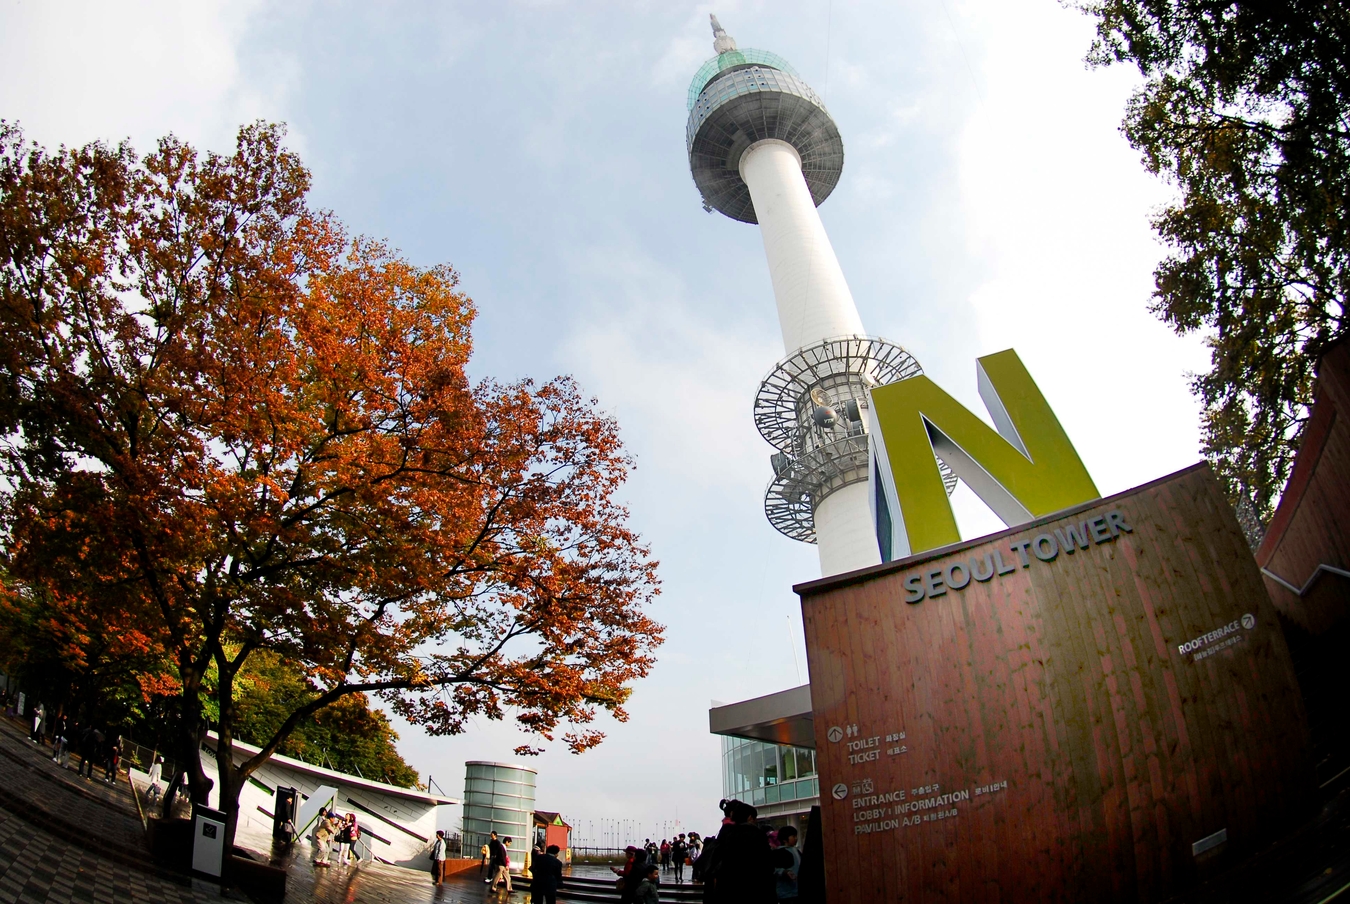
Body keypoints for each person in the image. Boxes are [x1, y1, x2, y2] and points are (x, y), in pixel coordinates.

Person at [706, 800, 774, 904]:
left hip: (730, 886)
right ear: (750, 817)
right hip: (754, 887)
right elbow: (766, 862)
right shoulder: (757, 834)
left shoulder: (727, 833)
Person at [773, 826, 800, 902]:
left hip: (795, 891)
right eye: (793, 836)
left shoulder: (796, 850)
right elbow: (774, 869)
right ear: (785, 839)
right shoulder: (778, 853)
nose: (796, 838)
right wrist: (784, 872)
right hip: (785, 893)